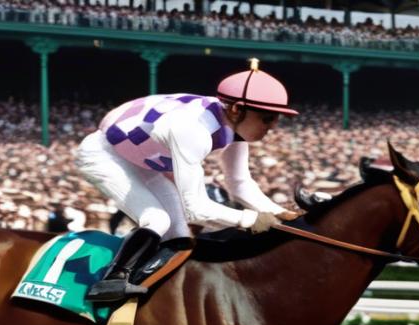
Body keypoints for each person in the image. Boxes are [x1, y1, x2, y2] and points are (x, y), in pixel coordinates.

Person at [76, 58, 300, 302]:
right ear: (236, 109)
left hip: (145, 162)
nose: (274, 126)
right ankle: (110, 282)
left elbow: (239, 183)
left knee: (180, 237)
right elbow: (197, 210)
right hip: (105, 154)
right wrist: (250, 219)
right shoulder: (193, 130)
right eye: (268, 118)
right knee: (157, 219)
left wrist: (282, 214)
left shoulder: (231, 122)